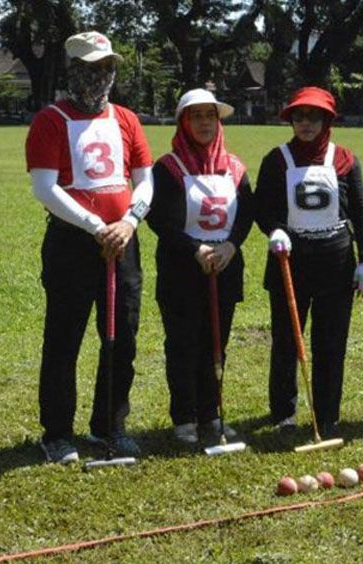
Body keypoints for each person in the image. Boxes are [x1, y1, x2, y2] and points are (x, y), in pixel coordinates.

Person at [25, 32, 153, 463]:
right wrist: (95, 225)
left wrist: (129, 221)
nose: (99, 78)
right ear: (72, 71)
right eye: (90, 69)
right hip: (72, 245)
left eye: (106, 69)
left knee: (122, 336)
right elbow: (45, 188)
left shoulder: (127, 119)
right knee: (64, 339)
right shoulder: (50, 120)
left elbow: (144, 179)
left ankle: (110, 425)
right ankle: (57, 433)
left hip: (123, 241)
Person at [256, 87, 363, 440]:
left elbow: (361, 212)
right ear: (290, 120)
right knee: (286, 340)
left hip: (336, 260)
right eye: (299, 117)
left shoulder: (346, 159)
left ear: (327, 120)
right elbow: (262, 208)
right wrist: (275, 230)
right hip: (289, 261)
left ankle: (327, 414)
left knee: (331, 341)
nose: (305, 124)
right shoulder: (276, 159)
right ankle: (283, 413)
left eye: (314, 117)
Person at [147, 89, 254, 446]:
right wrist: (195, 248)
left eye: (211, 116)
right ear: (183, 123)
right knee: (183, 344)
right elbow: (160, 219)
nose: (205, 123)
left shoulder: (235, 167)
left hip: (224, 267)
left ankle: (212, 413)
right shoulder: (167, 168)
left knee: (216, 344)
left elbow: (246, 214)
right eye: (196, 116)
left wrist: (230, 245)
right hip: (182, 271)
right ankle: (185, 416)